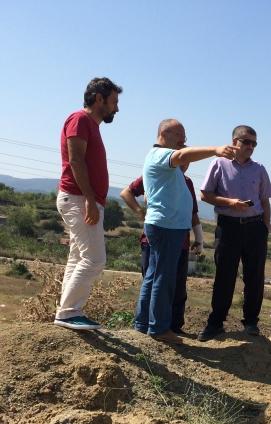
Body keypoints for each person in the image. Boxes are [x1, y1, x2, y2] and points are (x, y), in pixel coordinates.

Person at [135, 119, 237, 344]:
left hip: (165, 226)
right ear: (164, 134)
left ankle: (143, 324)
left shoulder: (160, 159)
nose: (183, 140)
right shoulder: (161, 155)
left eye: (185, 137)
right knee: (164, 277)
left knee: (153, 275)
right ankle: (160, 328)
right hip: (166, 227)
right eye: (179, 135)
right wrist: (215, 150)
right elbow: (182, 157)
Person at [53, 77, 122, 330]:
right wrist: (91, 202)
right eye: (114, 102)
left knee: (78, 258)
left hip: (83, 199)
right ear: (99, 98)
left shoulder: (91, 125)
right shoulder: (79, 120)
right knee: (94, 259)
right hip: (80, 199)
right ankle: (69, 312)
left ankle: (66, 311)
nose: (117, 108)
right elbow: (76, 161)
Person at [197, 125, 271, 342]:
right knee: (224, 277)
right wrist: (229, 202)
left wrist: (265, 229)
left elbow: (265, 201)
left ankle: (251, 322)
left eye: (254, 143)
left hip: (255, 227)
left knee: (255, 277)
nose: (250, 146)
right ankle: (215, 324)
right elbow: (205, 195)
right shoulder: (218, 163)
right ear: (234, 141)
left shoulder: (259, 169)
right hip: (228, 227)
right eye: (246, 142)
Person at [120, 162, 202, 334]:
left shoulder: (186, 182)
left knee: (176, 287)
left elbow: (193, 212)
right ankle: (153, 326)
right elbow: (126, 193)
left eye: (187, 161)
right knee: (155, 282)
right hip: (158, 237)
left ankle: (172, 327)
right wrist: (141, 213)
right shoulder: (156, 173)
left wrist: (199, 238)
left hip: (180, 241)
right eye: (181, 159)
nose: (184, 164)